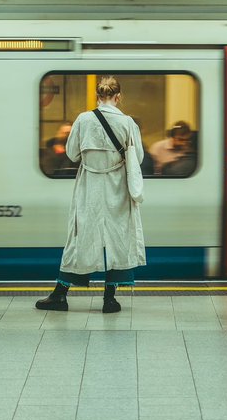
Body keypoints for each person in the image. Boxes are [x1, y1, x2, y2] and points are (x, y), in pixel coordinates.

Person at [36, 76, 145, 314]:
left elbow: (73, 154)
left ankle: (60, 294)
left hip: (90, 187)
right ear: (118, 97)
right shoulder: (127, 123)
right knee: (116, 239)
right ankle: (109, 299)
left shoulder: (83, 120)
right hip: (117, 188)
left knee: (79, 237)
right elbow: (139, 159)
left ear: (97, 96)